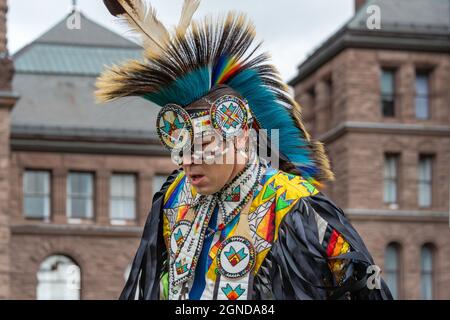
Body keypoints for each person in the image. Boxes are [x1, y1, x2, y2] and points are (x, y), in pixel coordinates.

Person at [97, 0, 392, 300]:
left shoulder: (292, 203)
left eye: (202, 145)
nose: (186, 161)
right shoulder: (174, 197)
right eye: (180, 147)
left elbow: (364, 290)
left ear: (240, 137)